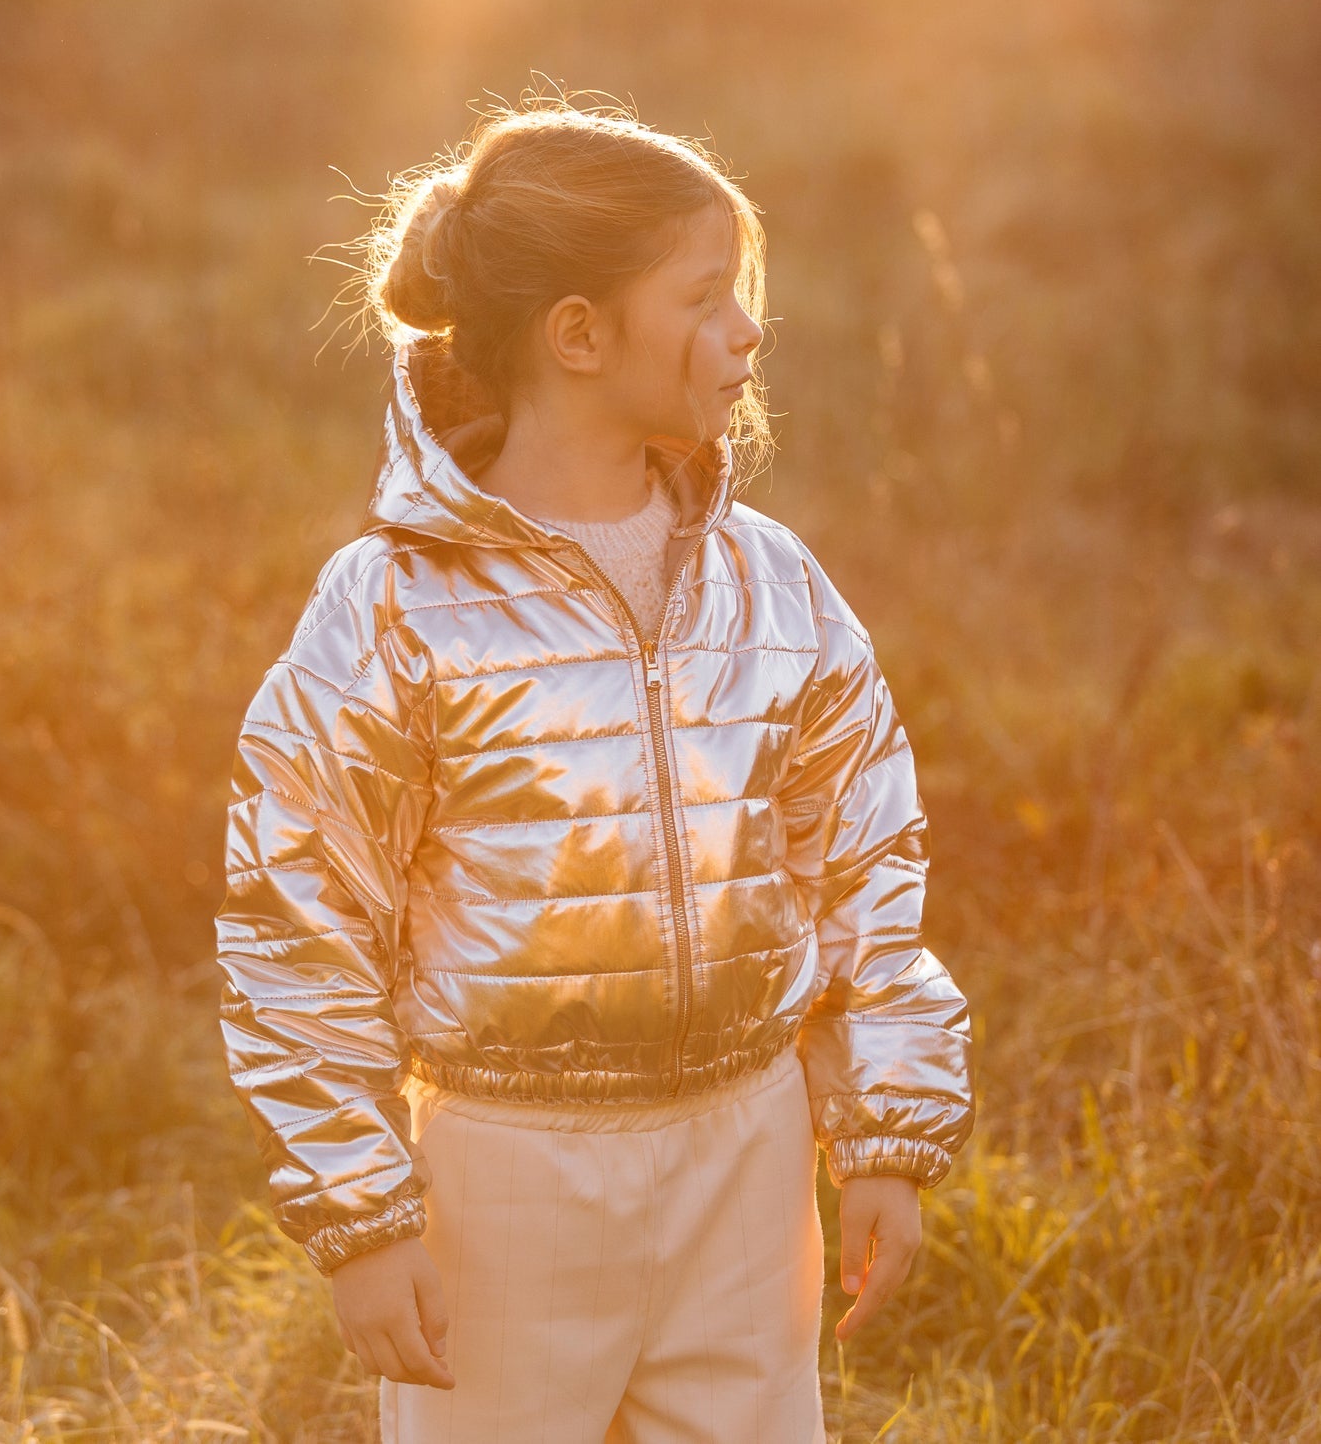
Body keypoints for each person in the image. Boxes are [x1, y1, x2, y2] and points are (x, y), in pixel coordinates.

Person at [215, 91, 975, 1444]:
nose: (747, 330)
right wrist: (361, 1216)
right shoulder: (391, 609)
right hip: (506, 1180)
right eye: (704, 297)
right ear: (577, 335)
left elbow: (866, 863)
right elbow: (299, 918)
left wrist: (884, 1133)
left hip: (747, 1153)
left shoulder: (774, 584)